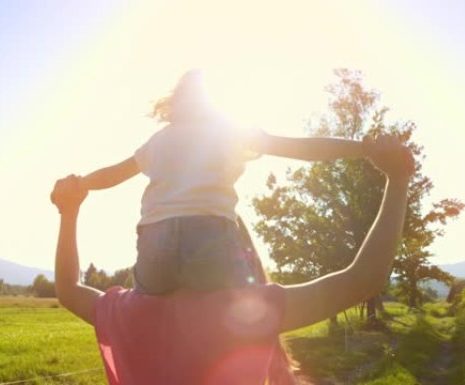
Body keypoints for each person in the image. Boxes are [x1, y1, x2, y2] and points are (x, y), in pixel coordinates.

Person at [51, 134, 413, 384]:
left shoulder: (125, 316)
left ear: (144, 243)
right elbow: (363, 279)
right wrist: (397, 180)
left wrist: (69, 212)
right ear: (235, 254)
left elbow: (67, 289)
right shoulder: (246, 318)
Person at [53, 69, 373, 295]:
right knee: (233, 303)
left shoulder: (158, 140)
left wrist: (79, 184)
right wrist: (363, 149)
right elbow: (302, 148)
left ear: (176, 103)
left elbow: (113, 174)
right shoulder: (231, 132)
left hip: (155, 246)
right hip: (210, 238)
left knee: (151, 302)